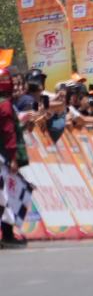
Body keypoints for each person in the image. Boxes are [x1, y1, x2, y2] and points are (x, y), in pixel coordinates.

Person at [0, 67, 30, 249]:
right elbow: (8, 133)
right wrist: (13, 158)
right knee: (7, 197)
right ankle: (8, 236)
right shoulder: (4, 105)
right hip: (3, 158)